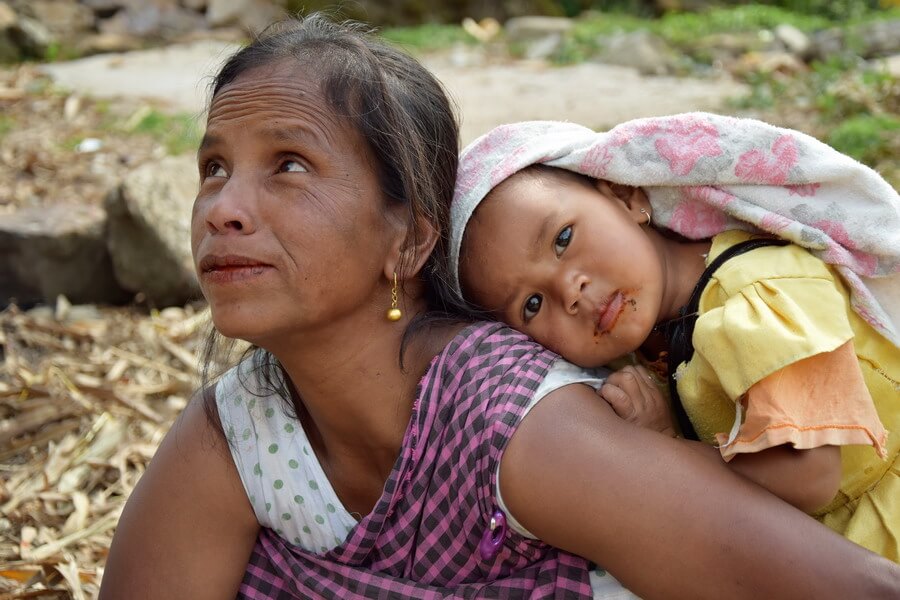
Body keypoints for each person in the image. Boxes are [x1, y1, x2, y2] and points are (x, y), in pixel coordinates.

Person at [99, 15, 900, 599]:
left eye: (290, 164)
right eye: (213, 167)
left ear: (409, 242)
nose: (223, 208)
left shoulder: (507, 416)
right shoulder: (242, 427)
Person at [448, 117, 900, 561]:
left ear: (626, 197)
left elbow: (808, 474)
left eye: (563, 238)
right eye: (531, 304)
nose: (570, 291)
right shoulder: (641, 353)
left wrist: (665, 446)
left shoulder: (756, 290)